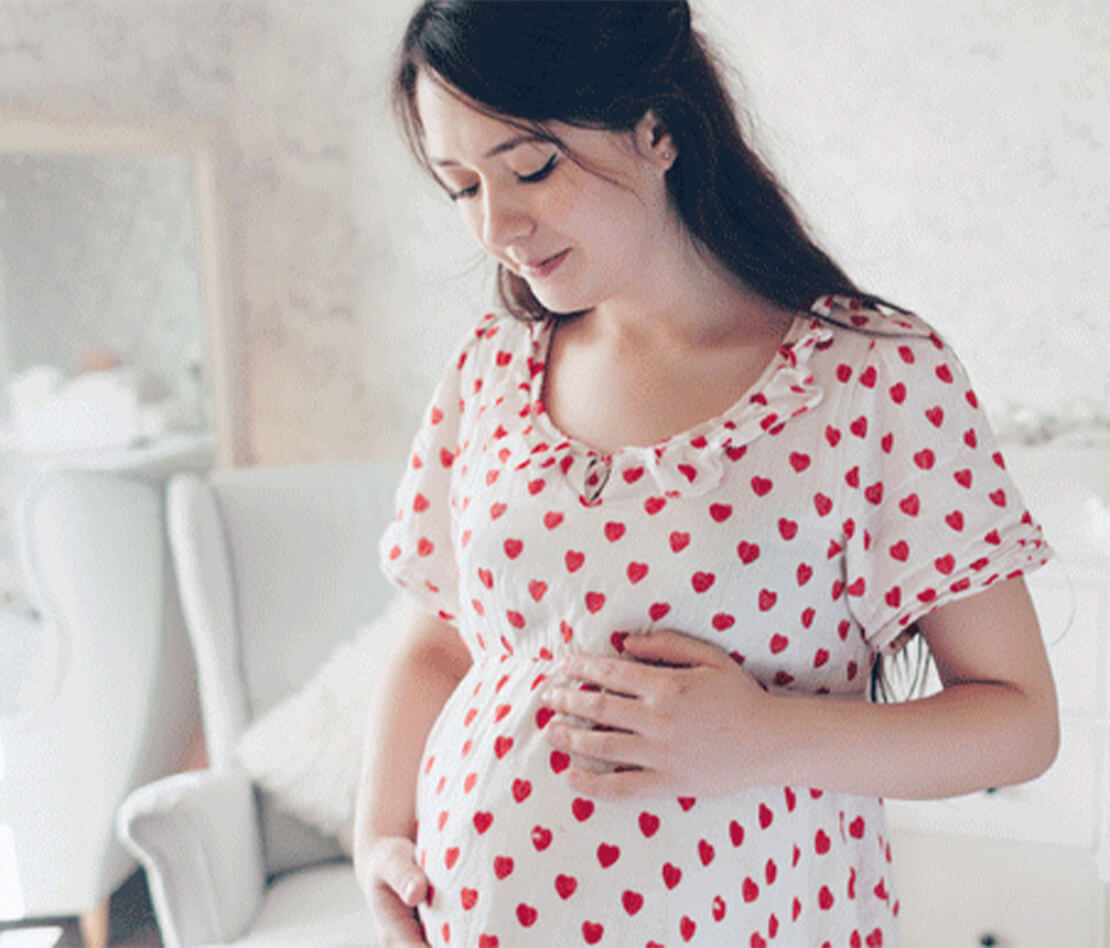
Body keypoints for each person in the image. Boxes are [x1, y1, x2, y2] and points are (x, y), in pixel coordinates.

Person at [353, 2, 1059, 945]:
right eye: (460, 187)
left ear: (658, 126)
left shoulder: (869, 378)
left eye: (531, 167)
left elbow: (1019, 725)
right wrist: (378, 841)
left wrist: (766, 735)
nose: (496, 226)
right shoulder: (493, 363)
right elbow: (439, 644)